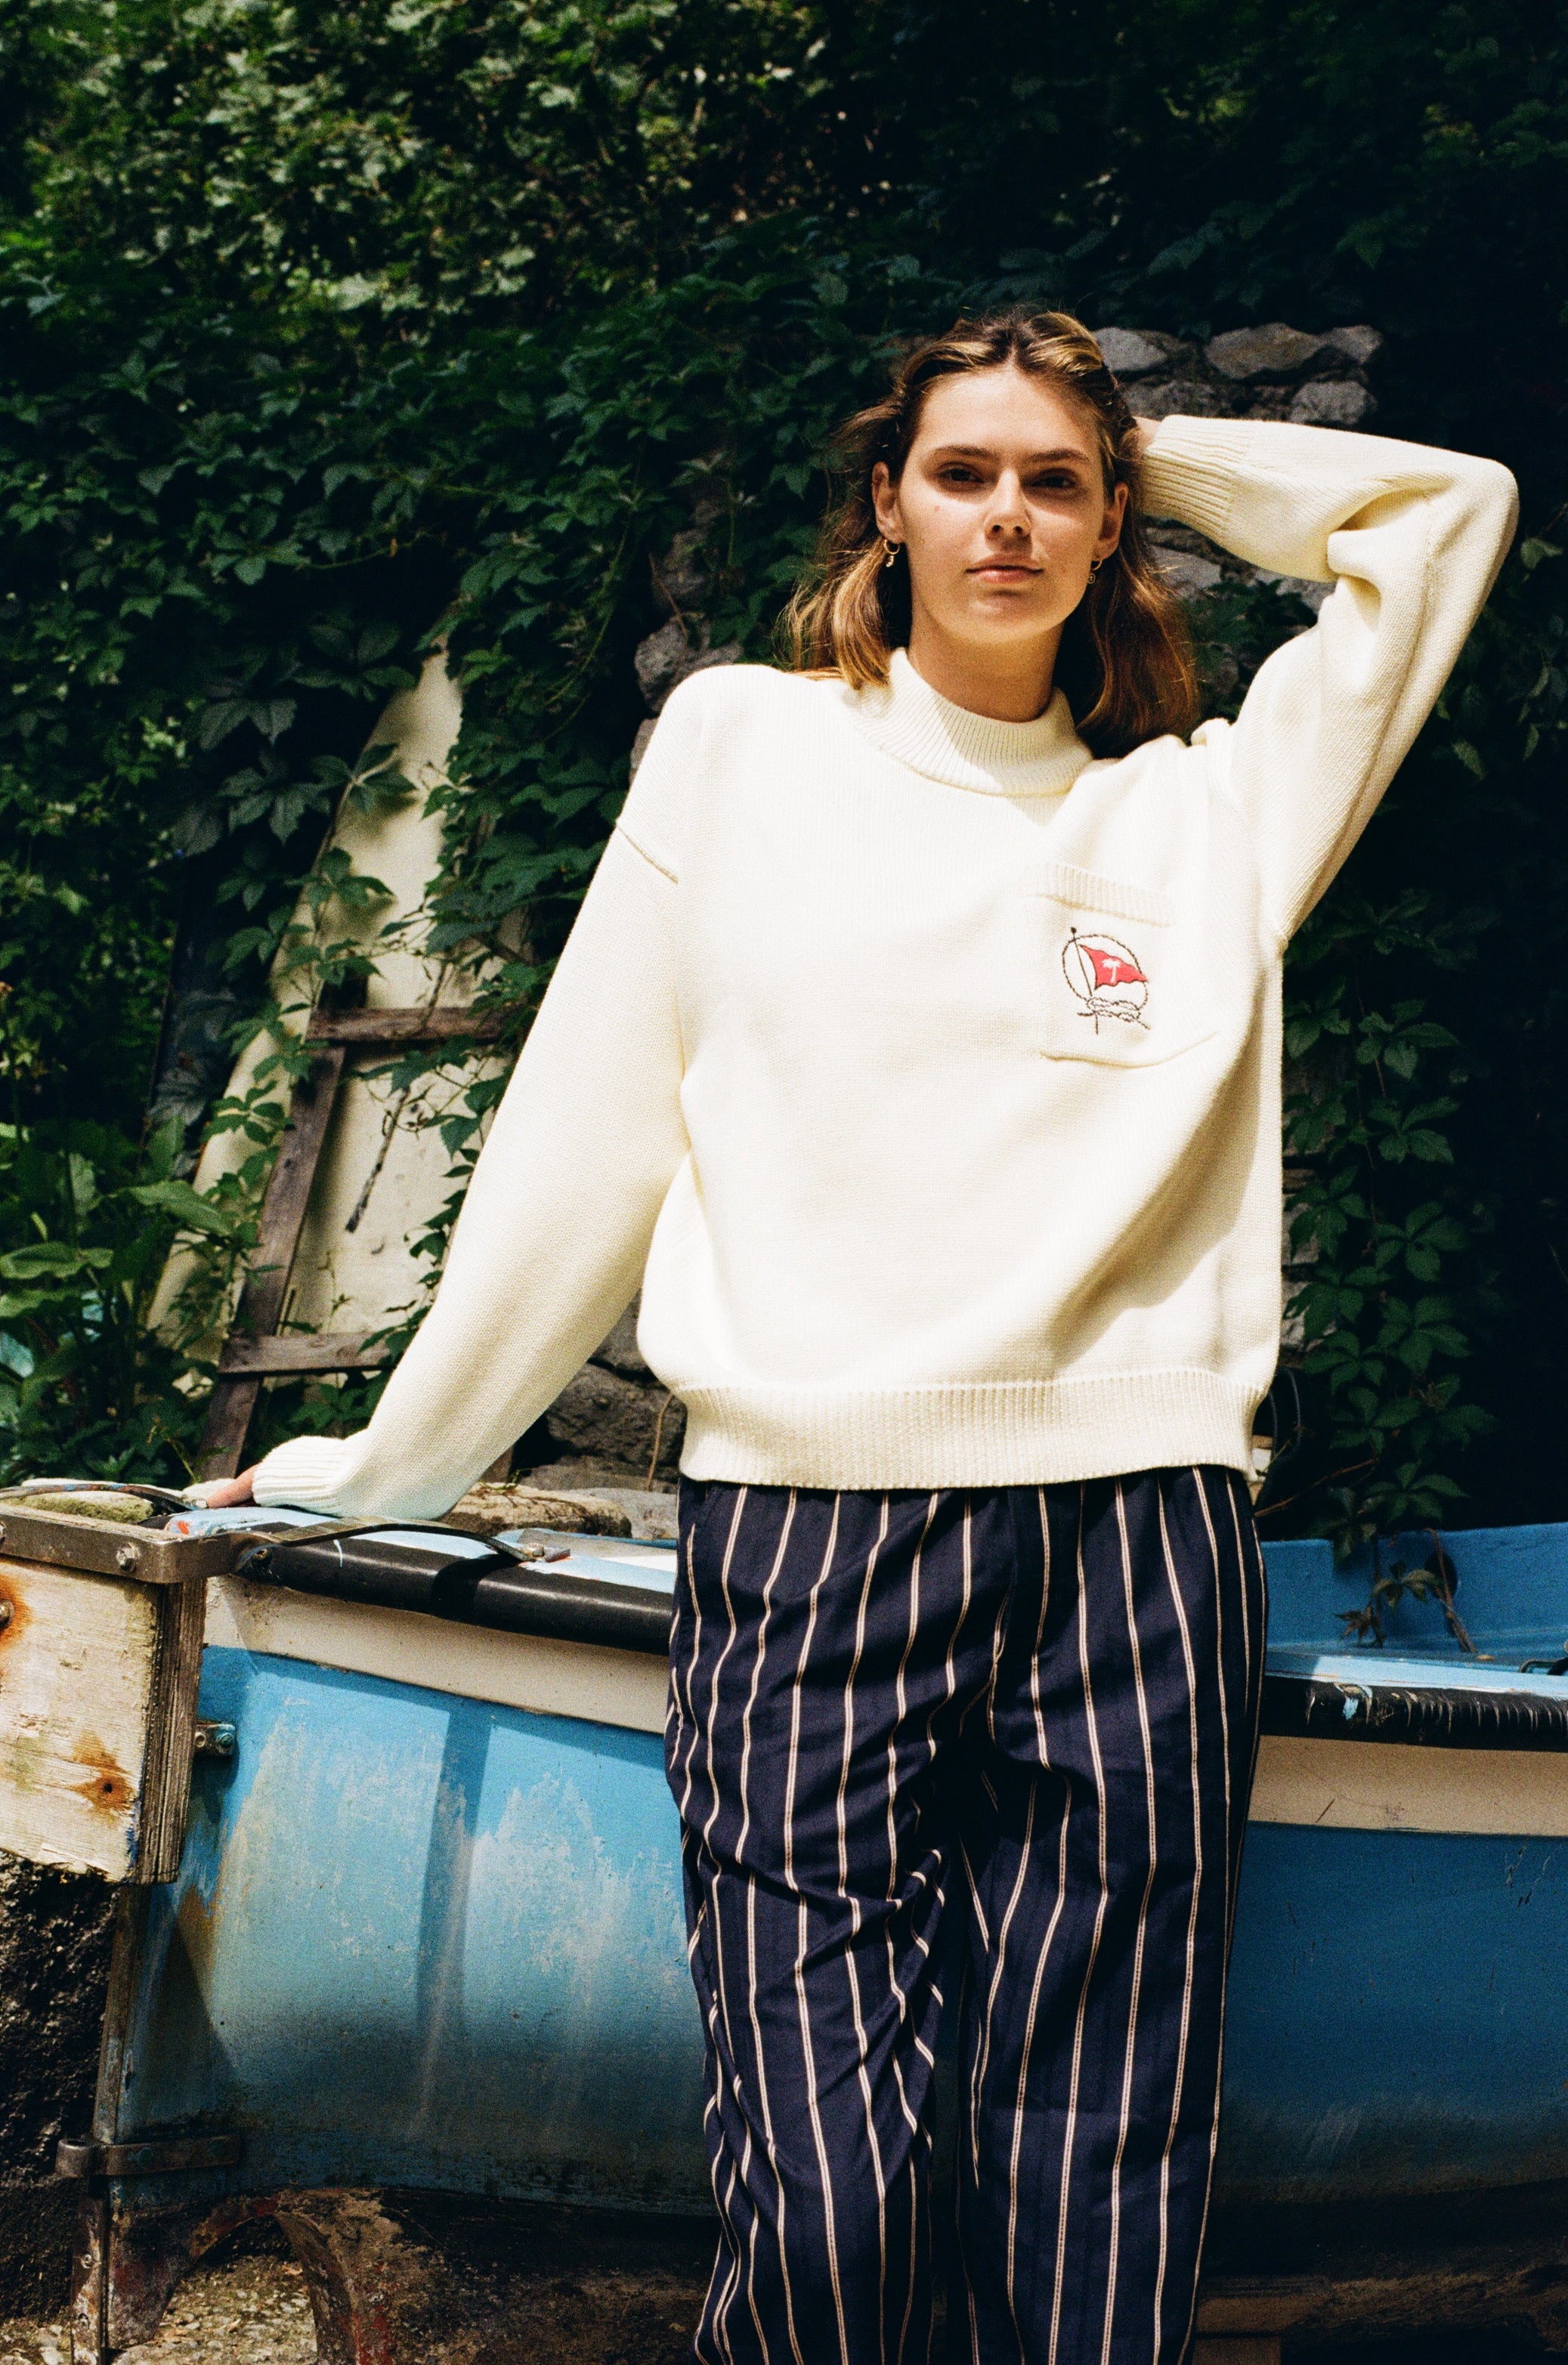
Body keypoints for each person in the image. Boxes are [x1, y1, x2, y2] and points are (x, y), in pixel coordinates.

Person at [205, 311, 1517, 2362]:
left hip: (1132, 1540)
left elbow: (1444, 515)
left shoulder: (1208, 814)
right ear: (880, 504)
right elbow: (581, 1133)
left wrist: (1132, 440)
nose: (1005, 516)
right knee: (827, 2192)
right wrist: (387, 1465)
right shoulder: (741, 744)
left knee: (1093, 2161)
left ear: (1116, 532)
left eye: (1053, 485)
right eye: (958, 472)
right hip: (809, 1534)